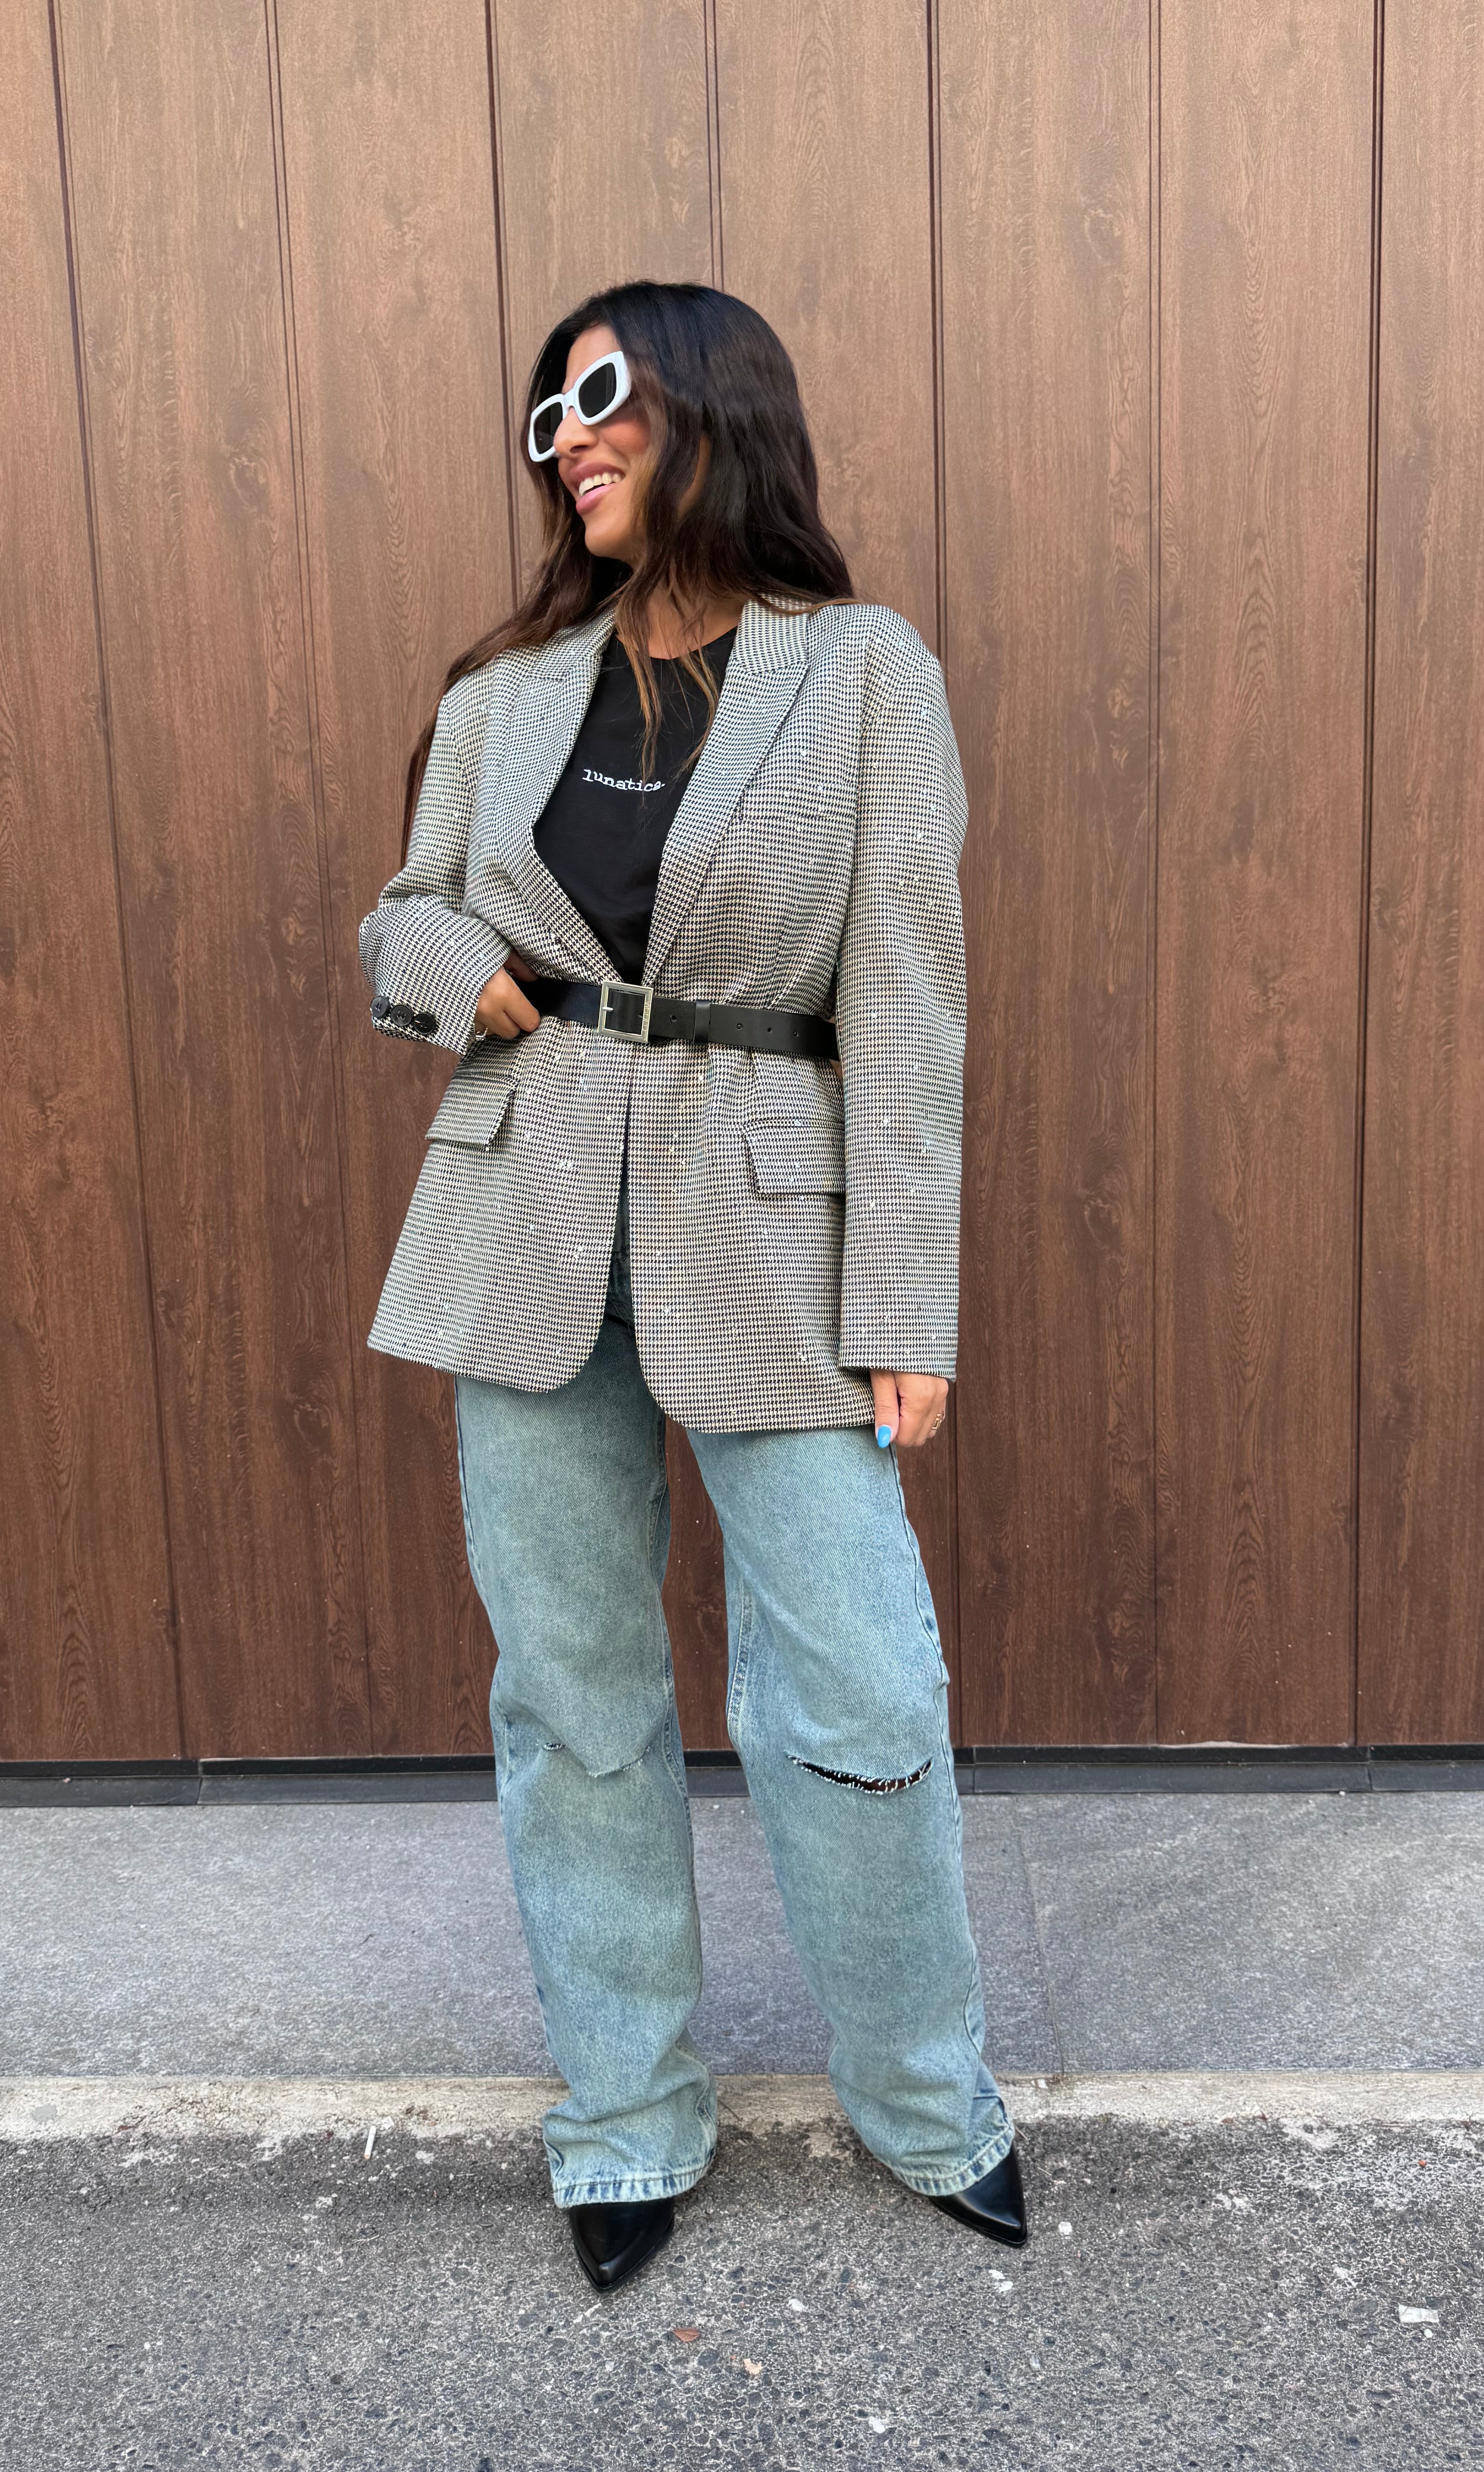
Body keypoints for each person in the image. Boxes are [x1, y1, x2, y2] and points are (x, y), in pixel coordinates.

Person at [358, 280, 1021, 2293]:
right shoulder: (511, 692)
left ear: (713, 402)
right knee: (571, 1693)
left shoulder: (864, 672)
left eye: (598, 395)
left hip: (769, 1217)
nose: (566, 439)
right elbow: (405, 911)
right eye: (544, 416)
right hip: (523, 1205)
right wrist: (442, 971)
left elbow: (906, 1002)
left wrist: (908, 1302)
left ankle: (926, 2099)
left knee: (859, 1678)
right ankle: (628, 2113)